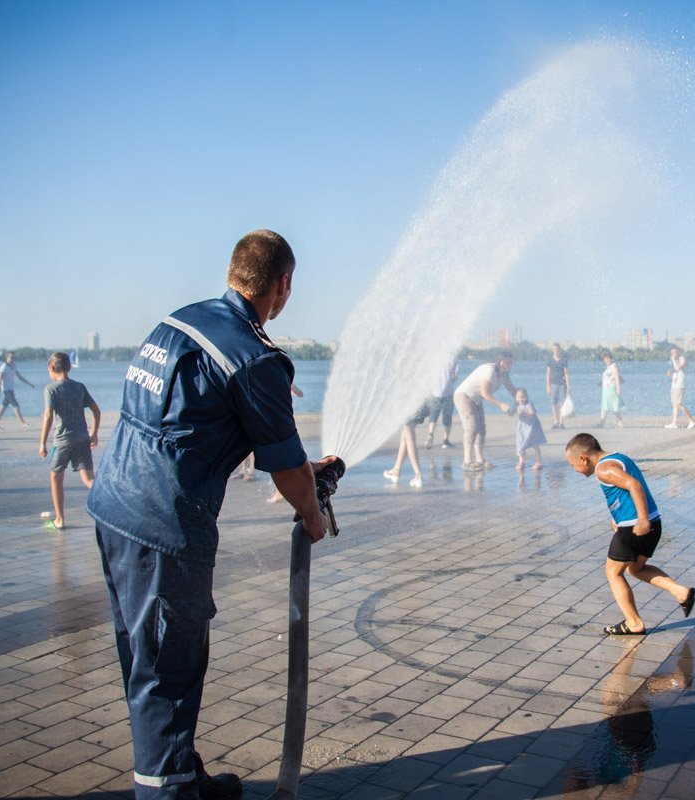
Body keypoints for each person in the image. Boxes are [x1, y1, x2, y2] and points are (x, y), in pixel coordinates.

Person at [87, 230, 333, 800]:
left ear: (232, 271)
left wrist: (301, 465)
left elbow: (190, 424)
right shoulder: (256, 357)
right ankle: (166, 790)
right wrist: (313, 515)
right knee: (167, 671)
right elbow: (286, 475)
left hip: (112, 506)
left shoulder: (178, 323)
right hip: (163, 527)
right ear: (283, 284)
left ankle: (179, 767)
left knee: (145, 655)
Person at [565, 433, 695, 636]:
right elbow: (623, 494)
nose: (574, 469)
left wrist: (641, 520)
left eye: (572, 464)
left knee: (613, 573)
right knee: (636, 569)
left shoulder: (603, 469)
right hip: (653, 523)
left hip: (636, 527)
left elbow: (634, 486)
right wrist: (619, 518)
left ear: (583, 458)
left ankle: (633, 622)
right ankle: (681, 592)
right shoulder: (618, 457)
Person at [39, 352, 101, 531]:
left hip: (62, 441)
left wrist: (42, 443)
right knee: (89, 479)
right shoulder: (79, 387)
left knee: (56, 478)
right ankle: (110, 507)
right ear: (70, 367)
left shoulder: (51, 389)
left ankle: (60, 520)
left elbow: (48, 415)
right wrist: (94, 433)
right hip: (82, 438)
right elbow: (96, 411)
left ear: (51, 368)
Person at [453, 351, 517, 471]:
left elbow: (513, 392)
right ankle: (466, 461)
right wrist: (501, 405)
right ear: (498, 360)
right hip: (463, 396)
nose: (508, 365)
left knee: (481, 429)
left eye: (510, 363)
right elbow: (484, 393)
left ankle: (480, 460)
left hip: (476, 399)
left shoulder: (504, 375)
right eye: (506, 362)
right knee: (471, 427)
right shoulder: (490, 370)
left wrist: (522, 401)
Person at [384, 402, 427, 488]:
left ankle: (418, 475)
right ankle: (396, 470)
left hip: (411, 403)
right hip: (422, 403)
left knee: (408, 432)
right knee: (405, 433)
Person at [0, 351, 35, 429]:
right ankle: (23, 423)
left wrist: (29, 384)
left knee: (3, 406)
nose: (12, 359)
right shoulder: (3, 367)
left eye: (13, 357)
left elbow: (20, 377)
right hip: (6, 389)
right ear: (7, 357)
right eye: (11, 357)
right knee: (16, 405)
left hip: (11, 389)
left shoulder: (14, 366)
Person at [425, 358, 460, 449]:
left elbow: (428, 375)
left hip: (435, 390)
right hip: (448, 391)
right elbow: (455, 377)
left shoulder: (436, 357)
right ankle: (445, 441)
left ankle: (430, 434)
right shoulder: (454, 359)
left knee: (433, 414)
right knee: (447, 416)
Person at [514, 388, 547, 470]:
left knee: (534, 444)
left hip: (532, 427)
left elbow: (532, 413)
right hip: (522, 427)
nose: (521, 399)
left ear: (527, 397)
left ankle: (538, 462)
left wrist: (525, 412)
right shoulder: (516, 405)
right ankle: (521, 461)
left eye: (523, 397)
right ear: (516, 398)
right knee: (521, 444)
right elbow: (512, 412)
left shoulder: (529, 404)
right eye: (518, 397)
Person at [665, 346, 695, 429]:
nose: (673, 354)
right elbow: (676, 374)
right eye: (672, 353)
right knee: (674, 405)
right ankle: (674, 423)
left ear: (678, 352)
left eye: (674, 352)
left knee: (679, 404)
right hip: (674, 385)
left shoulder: (682, 359)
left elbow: (678, 368)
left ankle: (691, 420)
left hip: (679, 386)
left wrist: (674, 360)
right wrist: (670, 375)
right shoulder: (675, 361)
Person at [546, 343, 571, 429]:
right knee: (553, 403)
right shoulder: (550, 360)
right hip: (553, 384)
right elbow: (548, 374)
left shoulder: (563, 360)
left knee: (562, 403)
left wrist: (568, 385)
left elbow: (566, 373)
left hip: (562, 384)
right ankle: (556, 421)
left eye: (557, 349)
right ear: (552, 350)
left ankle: (561, 422)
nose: (556, 350)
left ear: (559, 350)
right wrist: (548, 386)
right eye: (554, 349)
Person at [598, 351, 623, 428]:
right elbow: (608, 378)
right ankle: (602, 423)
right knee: (606, 406)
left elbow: (617, 378)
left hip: (611, 389)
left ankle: (619, 422)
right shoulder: (608, 367)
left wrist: (618, 389)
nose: (606, 360)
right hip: (606, 390)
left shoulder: (614, 366)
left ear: (611, 358)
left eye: (608, 359)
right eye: (605, 359)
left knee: (613, 406)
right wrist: (601, 384)